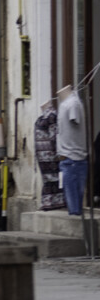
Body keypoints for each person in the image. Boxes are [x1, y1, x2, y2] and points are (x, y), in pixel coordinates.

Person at [57, 84, 88, 215]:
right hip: (70, 159)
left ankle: (76, 217)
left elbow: (74, 120)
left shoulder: (72, 104)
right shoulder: (66, 104)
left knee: (74, 208)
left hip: (73, 159)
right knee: (73, 205)